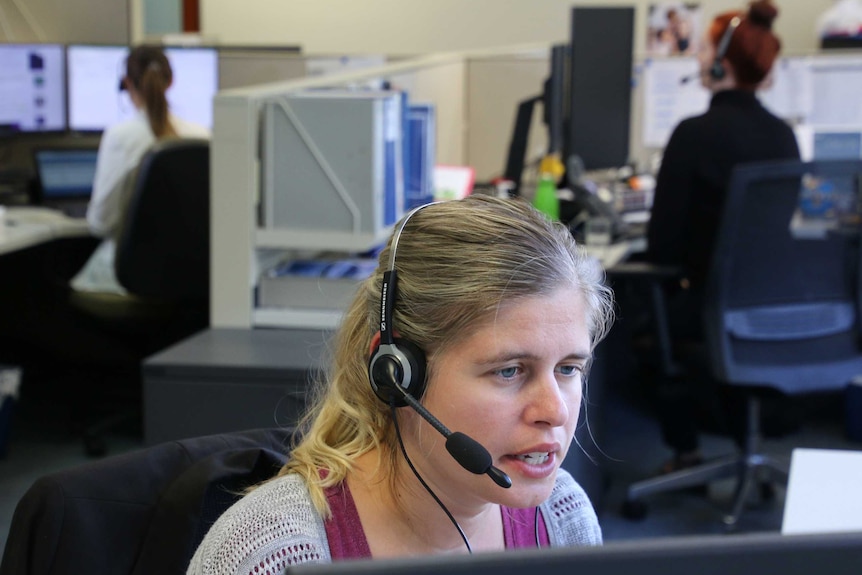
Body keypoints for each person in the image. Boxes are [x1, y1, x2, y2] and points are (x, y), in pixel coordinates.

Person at [187, 195, 615, 573]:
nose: (555, 411)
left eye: (568, 369)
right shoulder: (271, 554)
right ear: (397, 374)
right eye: (509, 371)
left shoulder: (562, 516)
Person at [645, 0, 800, 472]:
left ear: (720, 62)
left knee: (647, 326)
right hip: (774, 309)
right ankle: (743, 447)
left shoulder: (694, 134)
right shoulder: (783, 136)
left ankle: (686, 452)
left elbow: (663, 245)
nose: (697, 58)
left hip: (711, 309)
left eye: (705, 49)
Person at [71, 44, 210, 295]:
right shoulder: (203, 137)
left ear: (127, 83)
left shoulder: (120, 136)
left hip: (132, 278)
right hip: (193, 276)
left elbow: (100, 224)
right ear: (171, 81)